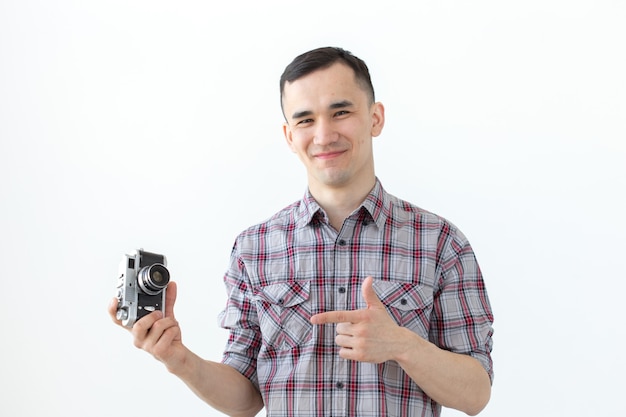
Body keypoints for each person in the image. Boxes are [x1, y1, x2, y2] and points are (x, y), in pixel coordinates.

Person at [108, 46, 494, 417]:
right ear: (289, 135)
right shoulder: (253, 249)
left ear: (375, 118)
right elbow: (245, 399)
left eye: (340, 112)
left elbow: (476, 393)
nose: (324, 135)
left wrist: (403, 345)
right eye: (305, 119)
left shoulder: (441, 242)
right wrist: (179, 359)